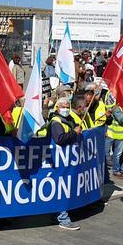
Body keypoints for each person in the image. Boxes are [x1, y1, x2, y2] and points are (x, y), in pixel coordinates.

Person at [48, 97, 82, 230]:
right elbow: (59, 139)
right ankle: (63, 218)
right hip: (60, 160)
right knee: (61, 187)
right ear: (57, 107)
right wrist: (74, 133)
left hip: (66, 160)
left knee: (63, 187)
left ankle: (56, 215)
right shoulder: (56, 122)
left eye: (68, 106)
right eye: (64, 106)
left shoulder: (68, 119)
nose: (66, 109)